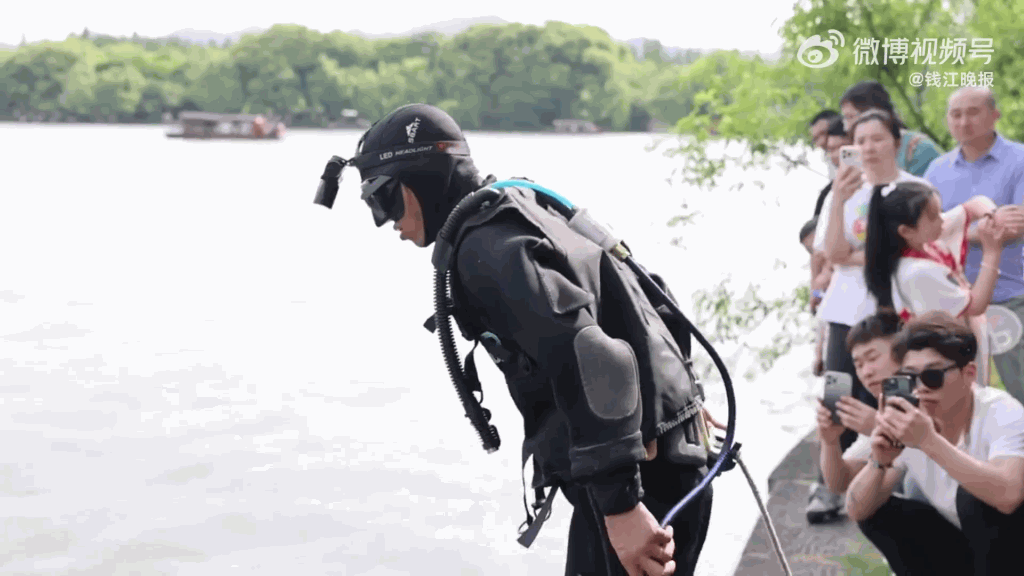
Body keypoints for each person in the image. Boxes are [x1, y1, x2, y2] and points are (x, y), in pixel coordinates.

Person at [330, 103, 716, 576]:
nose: (383, 221)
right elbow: (646, 290)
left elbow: (594, 357)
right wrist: (680, 399)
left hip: (642, 484)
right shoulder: (524, 206)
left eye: (382, 200)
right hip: (663, 461)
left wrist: (622, 507)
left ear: (417, 182)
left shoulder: (484, 250)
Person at [805, 108, 929, 523]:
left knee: (897, 391)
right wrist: (841, 199)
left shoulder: (916, 189)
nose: (869, 148)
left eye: (877, 138)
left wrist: (863, 255)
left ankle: (899, 476)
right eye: (860, 141)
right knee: (837, 396)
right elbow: (833, 252)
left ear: (897, 141)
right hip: (845, 311)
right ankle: (829, 484)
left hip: (895, 312)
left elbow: (920, 249)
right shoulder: (840, 192)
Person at [845, 311, 1024, 576]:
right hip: (967, 546)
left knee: (972, 498)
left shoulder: (1000, 411)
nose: (920, 388)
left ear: (969, 374)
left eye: (932, 377)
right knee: (878, 511)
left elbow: (1009, 496)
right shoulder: (908, 421)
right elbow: (857, 510)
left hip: (1014, 548)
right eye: (909, 377)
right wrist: (879, 461)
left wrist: (929, 441)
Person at [924, 86, 1024, 405]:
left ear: (994, 115)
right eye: (956, 114)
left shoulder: (1020, 159)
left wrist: (951, 228)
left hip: (1011, 294)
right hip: (954, 301)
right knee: (962, 397)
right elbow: (924, 233)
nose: (964, 121)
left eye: (973, 112)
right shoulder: (936, 170)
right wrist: (982, 227)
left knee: (1020, 389)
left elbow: (1015, 226)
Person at [862, 178, 1010, 386]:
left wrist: (993, 216)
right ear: (906, 231)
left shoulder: (922, 239)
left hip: (957, 346)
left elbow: (974, 205)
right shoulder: (917, 273)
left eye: (939, 212)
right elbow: (976, 305)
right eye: (933, 216)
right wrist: (992, 251)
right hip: (947, 361)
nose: (942, 220)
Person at [817, 309, 903, 496]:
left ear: (903, 355)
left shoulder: (931, 395)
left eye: (872, 358)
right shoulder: (881, 411)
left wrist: (880, 429)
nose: (866, 372)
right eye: (859, 364)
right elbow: (840, 483)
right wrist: (830, 442)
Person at [839, 80, 943, 176]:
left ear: (873, 113)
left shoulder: (918, 149)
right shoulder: (860, 155)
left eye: (850, 117)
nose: (846, 127)